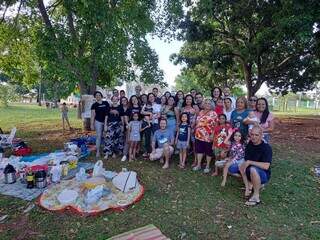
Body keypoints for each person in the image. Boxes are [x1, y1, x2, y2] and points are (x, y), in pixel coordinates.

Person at [239, 126, 272, 206]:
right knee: (233, 168)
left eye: (256, 135)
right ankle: (250, 185)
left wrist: (250, 162)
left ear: (261, 135)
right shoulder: (249, 145)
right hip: (249, 171)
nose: (253, 137)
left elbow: (266, 166)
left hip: (263, 174)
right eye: (252, 134)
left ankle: (256, 196)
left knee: (253, 169)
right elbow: (246, 160)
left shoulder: (266, 148)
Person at [193, 99, 218, 173]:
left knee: (208, 151)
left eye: (209, 103)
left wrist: (213, 134)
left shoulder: (214, 113)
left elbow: (216, 125)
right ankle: (198, 165)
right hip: (199, 135)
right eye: (206, 103)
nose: (207, 104)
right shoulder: (200, 112)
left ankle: (207, 166)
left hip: (208, 135)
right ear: (203, 104)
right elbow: (197, 122)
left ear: (212, 105)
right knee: (199, 150)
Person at [90, 91, 110, 158]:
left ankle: (105, 150)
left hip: (105, 121)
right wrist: (92, 124)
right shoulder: (94, 105)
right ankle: (98, 151)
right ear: (95, 97)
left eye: (99, 95)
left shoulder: (106, 103)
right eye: (96, 95)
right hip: (98, 121)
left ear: (101, 96)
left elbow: (107, 113)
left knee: (105, 136)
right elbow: (92, 115)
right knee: (98, 136)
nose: (98, 96)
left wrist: (106, 123)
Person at [120, 97, 131, 162]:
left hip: (128, 125)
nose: (124, 101)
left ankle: (125, 154)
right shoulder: (119, 108)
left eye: (125, 100)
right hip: (120, 125)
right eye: (122, 100)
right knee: (121, 139)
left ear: (127, 101)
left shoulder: (129, 108)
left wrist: (128, 124)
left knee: (127, 139)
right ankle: (121, 151)